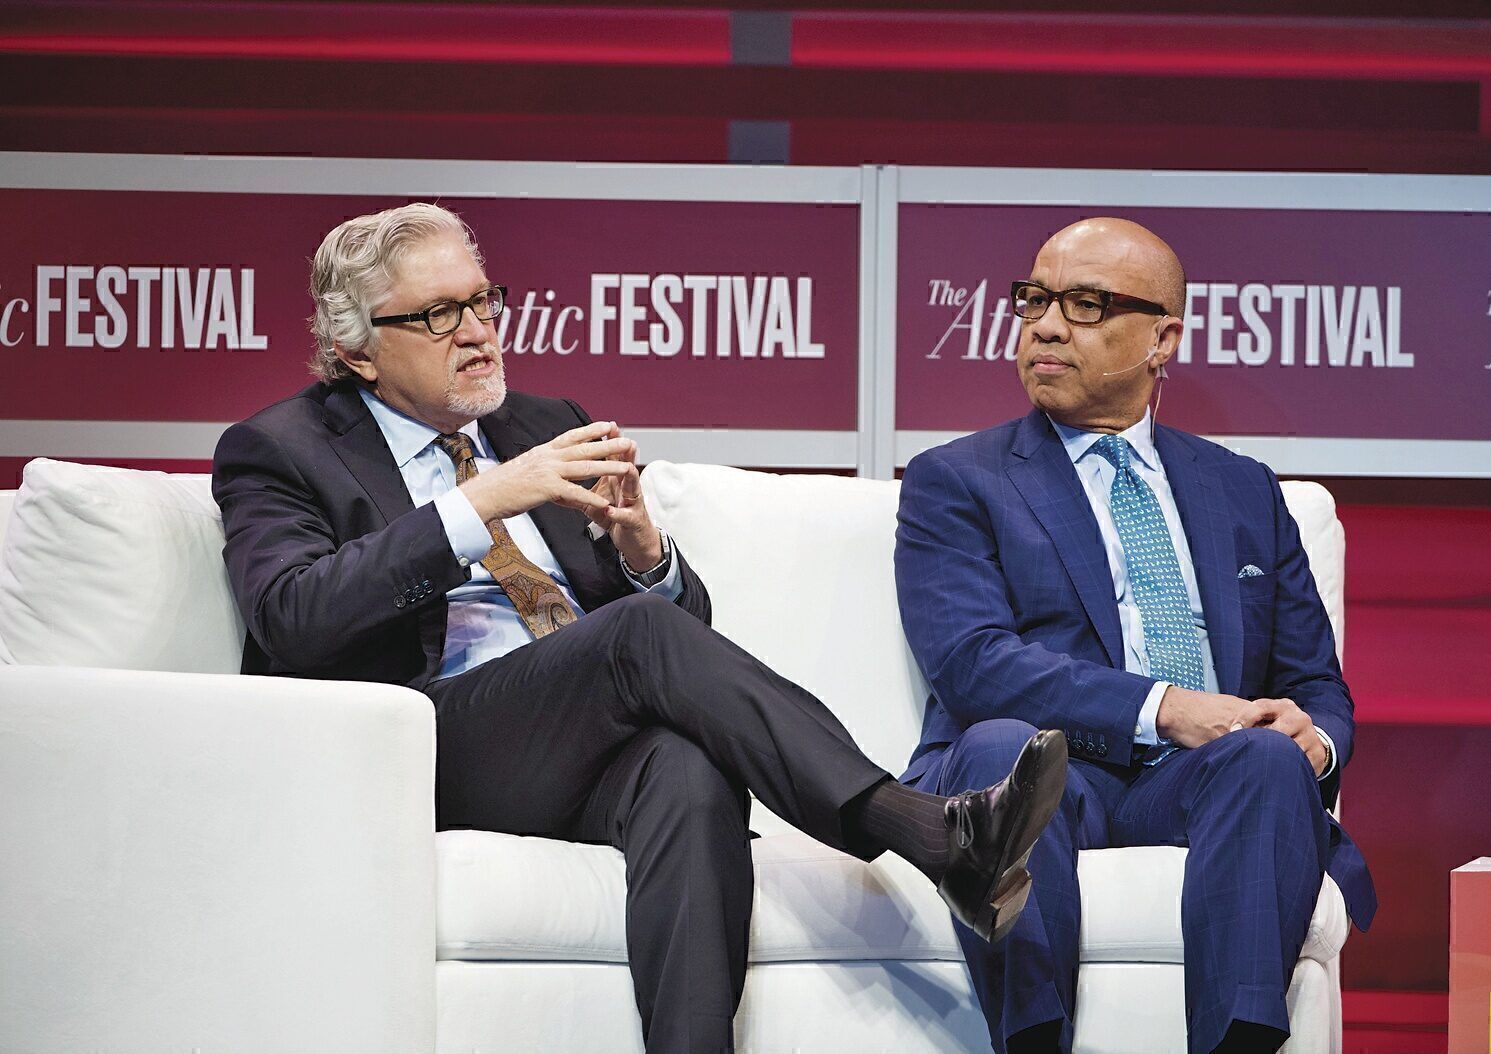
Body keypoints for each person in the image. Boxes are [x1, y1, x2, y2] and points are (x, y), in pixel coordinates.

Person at [211, 202, 1069, 1054]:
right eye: (437, 315)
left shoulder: (540, 423)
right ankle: (924, 830)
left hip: (569, 744)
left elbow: (682, 648)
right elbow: (292, 618)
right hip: (425, 746)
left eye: (481, 300)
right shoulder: (281, 448)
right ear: (357, 349)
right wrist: (475, 508)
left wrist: (645, 556)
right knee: (632, 638)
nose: (475, 331)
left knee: (689, 767)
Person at [894, 217, 1376, 1054]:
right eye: (1034, 299)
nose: (1046, 326)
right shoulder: (958, 480)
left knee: (1267, 757)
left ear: (1163, 340)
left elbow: (1314, 683)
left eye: (1085, 304)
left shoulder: (1244, 490)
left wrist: (1314, 740)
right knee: (1003, 748)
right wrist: (1167, 707)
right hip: (1051, 770)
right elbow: (972, 664)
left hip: (1200, 783)